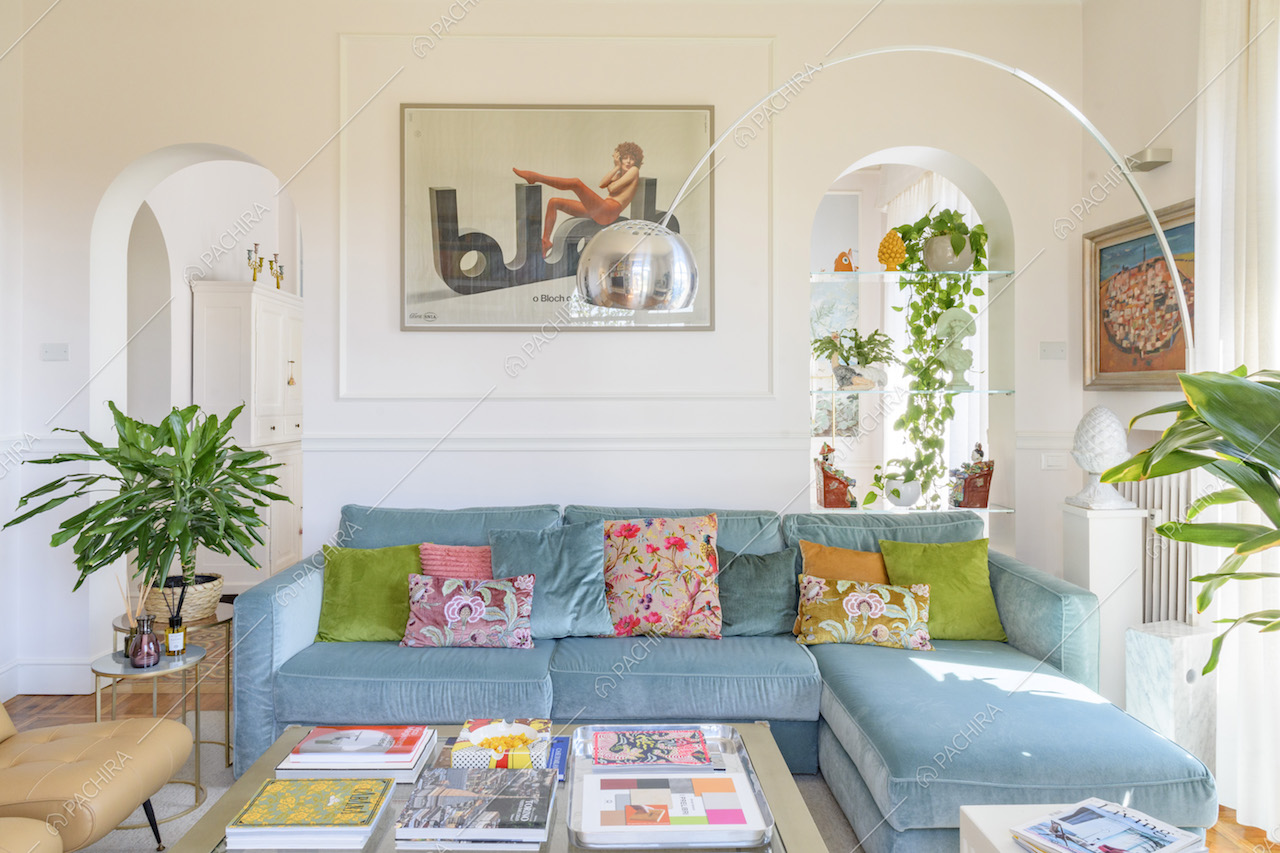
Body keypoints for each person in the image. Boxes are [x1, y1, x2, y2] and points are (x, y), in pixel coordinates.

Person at [514, 142, 643, 256]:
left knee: (576, 183)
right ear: (620, 159)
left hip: (609, 211)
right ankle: (546, 241)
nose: (628, 161)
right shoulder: (620, 174)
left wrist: (615, 173)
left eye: (632, 159)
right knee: (554, 202)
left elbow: (612, 188)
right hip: (601, 209)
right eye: (625, 158)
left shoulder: (634, 171)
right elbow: (602, 184)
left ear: (636, 161)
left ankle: (536, 177)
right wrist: (616, 167)